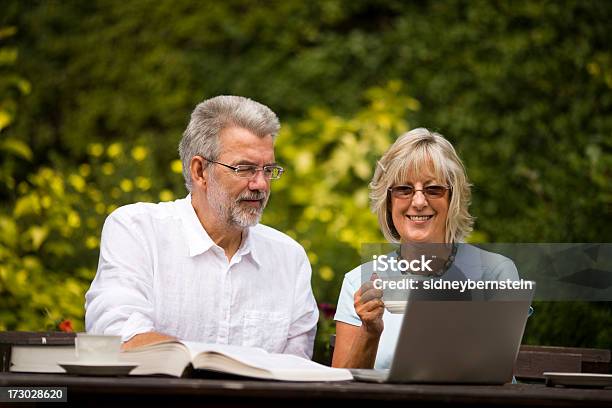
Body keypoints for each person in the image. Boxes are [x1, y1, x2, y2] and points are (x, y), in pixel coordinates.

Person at [85, 95, 319, 358]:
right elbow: (117, 338)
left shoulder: (289, 258)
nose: (261, 184)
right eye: (245, 169)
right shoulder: (137, 231)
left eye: (268, 170)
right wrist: (215, 363)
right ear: (199, 171)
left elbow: (296, 369)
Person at [332, 128, 520, 369]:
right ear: (388, 201)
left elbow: (496, 372)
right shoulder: (358, 282)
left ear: (453, 199)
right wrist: (370, 331)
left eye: (433, 189)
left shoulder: (495, 272)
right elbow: (340, 393)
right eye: (404, 189)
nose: (419, 202)